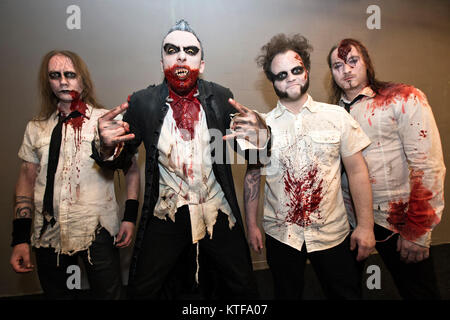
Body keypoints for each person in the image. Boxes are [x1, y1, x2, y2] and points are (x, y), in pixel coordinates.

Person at [91, 20, 269, 299]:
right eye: (172, 50)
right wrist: (104, 146)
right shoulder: (143, 102)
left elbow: (247, 153)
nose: (182, 56)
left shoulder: (221, 98)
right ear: (162, 61)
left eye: (190, 50)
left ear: (203, 62)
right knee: (144, 288)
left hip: (216, 208)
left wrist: (260, 138)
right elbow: (118, 160)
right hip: (167, 211)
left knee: (242, 285)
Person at [244, 34, 375, 300]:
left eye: (296, 70)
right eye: (281, 75)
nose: (290, 77)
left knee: (345, 294)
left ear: (306, 70)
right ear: (272, 82)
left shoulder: (337, 117)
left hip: (332, 234)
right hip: (282, 236)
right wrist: (251, 225)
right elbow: (253, 176)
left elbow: (358, 171)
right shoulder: (261, 126)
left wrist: (365, 226)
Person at [10, 50, 140, 300]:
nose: (63, 81)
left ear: (82, 79)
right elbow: (26, 180)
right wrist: (20, 238)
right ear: (47, 82)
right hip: (48, 232)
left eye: (70, 74)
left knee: (109, 295)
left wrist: (130, 217)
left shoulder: (104, 121)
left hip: (95, 229)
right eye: (55, 75)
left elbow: (130, 168)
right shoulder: (36, 128)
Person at [327, 38, 445, 299]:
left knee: (419, 291)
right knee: (344, 290)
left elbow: (428, 166)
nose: (346, 70)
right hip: (349, 219)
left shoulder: (403, 98)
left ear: (366, 63)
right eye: (337, 65)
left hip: (398, 219)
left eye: (352, 61)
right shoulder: (332, 114)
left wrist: (418, 231)